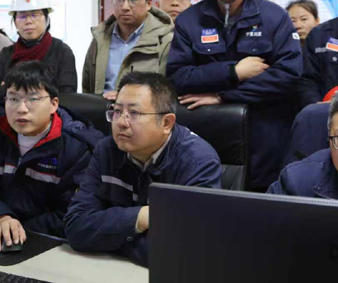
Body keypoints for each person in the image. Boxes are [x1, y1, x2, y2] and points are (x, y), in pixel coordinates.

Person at [166, 0, 302, 190]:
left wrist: (223, 95)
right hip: (206, 132)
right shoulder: (189, 21)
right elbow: (178, 77)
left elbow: (289, 76)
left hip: (265, 132)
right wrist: (234, 72)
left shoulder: (274, 17)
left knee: (263, 199)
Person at [65, 72, 221, 267]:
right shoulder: (107, 150)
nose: (121, 122)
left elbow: (189, 250)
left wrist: (112, 237)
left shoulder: (198, 162)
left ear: (166, 123)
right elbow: (76, 226)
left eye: (134, 113)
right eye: (117, 111)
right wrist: (141, 217)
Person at [0, 61, 102, 251]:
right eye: (13, 98)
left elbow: (71, 211)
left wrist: (20, 230)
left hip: (48, 244)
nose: (21, 109)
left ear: (53, 104)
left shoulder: (76, 148)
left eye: (32, 99)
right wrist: (1, 218)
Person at [82, 0, 174, 101]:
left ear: (149, 3)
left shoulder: (165, 40)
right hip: (102, 111)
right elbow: (87, 87)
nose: (125, 6)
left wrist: (125, 98)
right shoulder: (100, 38)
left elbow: (167, 92)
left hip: (143, 112)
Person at [0, 0, 77, 105]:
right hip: (9, 114)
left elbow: (67, 96)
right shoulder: (7, 53)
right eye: (22, 16)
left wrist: (10, 89)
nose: (28, 21)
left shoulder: (61, 51)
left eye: (35, 15)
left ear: (46, 19)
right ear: (15, 22)